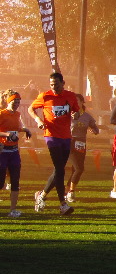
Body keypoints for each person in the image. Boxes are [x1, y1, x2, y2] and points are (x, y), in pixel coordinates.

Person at [28, 72, 79, 215]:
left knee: (59, 170)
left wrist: (76, 115)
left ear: (63, 83)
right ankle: (63, 205)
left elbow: (77, 111)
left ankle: (41, 195)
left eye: (56, 84)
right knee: (59, 169)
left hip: (66, 137)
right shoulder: (45, 96)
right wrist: (38, 120)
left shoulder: (70, 96)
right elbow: (30, 109)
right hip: (51, 136)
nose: (54, 87)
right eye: (51, 84)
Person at [0, 90, 32, 217]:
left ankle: (12, 210)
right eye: (14, 101)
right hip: (2, 152)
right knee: (1, 182)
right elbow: (6, 130)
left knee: (15, 181)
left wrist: (25, 130)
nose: (16, 103)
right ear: (9, 101)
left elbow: (15, 128)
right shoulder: (2, 114)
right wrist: (6, 135)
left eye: (18, 101)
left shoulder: (17, 114)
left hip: (14, 151)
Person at [65, 93, 100, 202]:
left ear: (81, 103)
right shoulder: (67, 114)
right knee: (80, 168)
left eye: (77, 101)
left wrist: (93, 129)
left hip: (81, 143)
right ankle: (71, 193)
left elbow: (96, 129)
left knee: (76, 169)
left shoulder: (86, 116)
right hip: (70, 142)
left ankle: (67, 190)